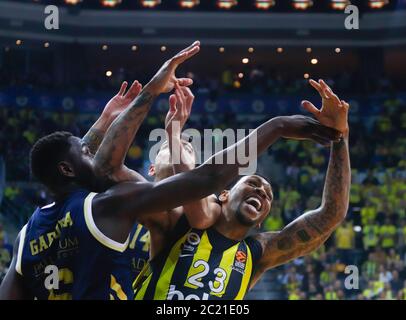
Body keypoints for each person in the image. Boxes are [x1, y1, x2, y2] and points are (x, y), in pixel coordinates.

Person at [0, 42, 341, 300]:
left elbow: (83, 169)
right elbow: (192, 181)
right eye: (173, 147)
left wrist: (110, 122)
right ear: (150, 168)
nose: (262, 192)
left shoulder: (31, 234)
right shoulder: (131, 205)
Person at [133, 79, 351, 300]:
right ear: (224, 195)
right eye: (253, 183)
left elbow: (331, 215)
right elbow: (191, 189)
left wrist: (340, 137)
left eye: (268, 195)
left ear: (261, 220)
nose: (261, 192)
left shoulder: (258, 253)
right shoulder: (178, 220)